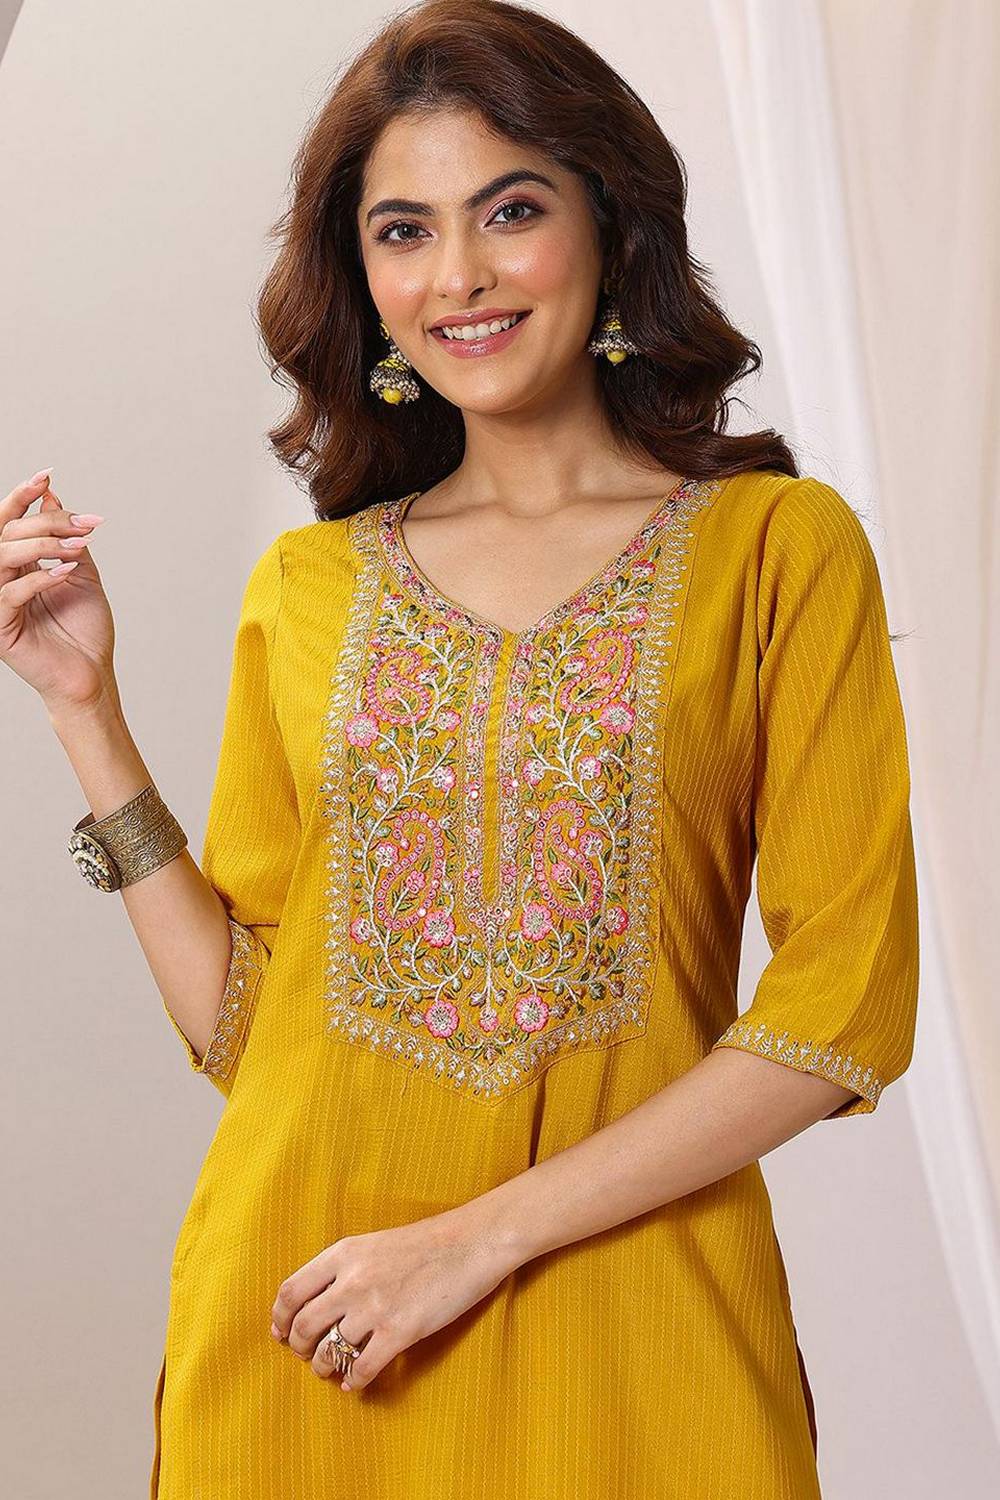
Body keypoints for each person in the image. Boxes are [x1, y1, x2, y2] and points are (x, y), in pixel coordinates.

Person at [1, 2, 919, 1495]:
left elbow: (844, 1008)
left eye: (510, 211)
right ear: (361, 277)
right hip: (312, 1335)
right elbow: (251, 1033)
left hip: (638, 1334)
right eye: (403, 232)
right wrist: (82, 711)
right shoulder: (312, 586)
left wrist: (469, 1244)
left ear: (610, 225)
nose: (458, 277)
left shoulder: (775, 550)